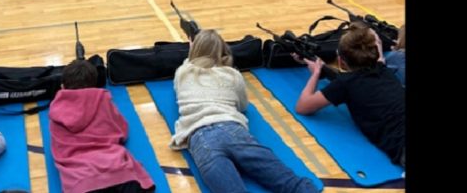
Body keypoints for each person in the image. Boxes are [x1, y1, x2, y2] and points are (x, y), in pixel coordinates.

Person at [169, 29, 318, 193]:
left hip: (200, 136)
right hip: (232, 129)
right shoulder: (232, 75)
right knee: (291, 183)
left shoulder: (182, 72)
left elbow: (188, 65)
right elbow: (242, 105)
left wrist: (193, 51)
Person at [295, 22, 405, 167]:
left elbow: (303, 107)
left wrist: (315, 73)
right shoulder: (383, 69)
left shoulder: (345, 83)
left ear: (341, 61)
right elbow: (377, 50)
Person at [49, 60, 155, 193]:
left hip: (80, 182)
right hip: (119, 174)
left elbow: (58, 148)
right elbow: (122, 131)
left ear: (62, 87)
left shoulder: (57, 111)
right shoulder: (103, 100)